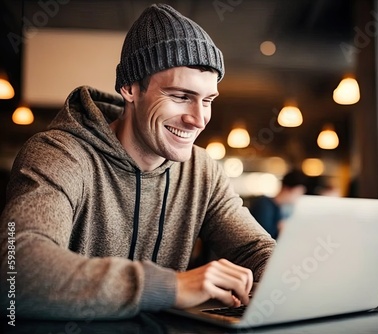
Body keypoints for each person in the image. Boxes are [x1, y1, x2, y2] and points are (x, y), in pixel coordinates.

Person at [0, 4, 275, 320]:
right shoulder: (59, 154)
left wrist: (280, 279)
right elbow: (15, 273)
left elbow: (258, 250)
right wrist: (169, 286)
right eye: (180, 96)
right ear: (130, 89)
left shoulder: (202, 171)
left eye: (208, 100)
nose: (198, 119)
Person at [249, 170, 308, 239]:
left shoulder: (279, 208)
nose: (299, 198)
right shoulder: (264, 205)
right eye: (299, 193)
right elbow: (264, 235)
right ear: (288, 190)